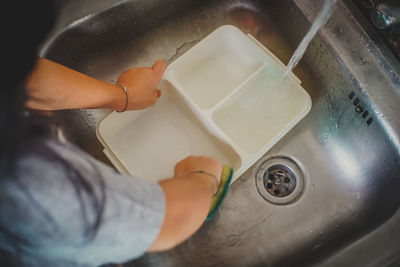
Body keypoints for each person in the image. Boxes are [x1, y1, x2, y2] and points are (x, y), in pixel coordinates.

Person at [0, 1, 222, 266]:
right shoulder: (30, 185)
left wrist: (123, 96)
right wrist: (204, 179)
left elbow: (21, 74)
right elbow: (167, 223)